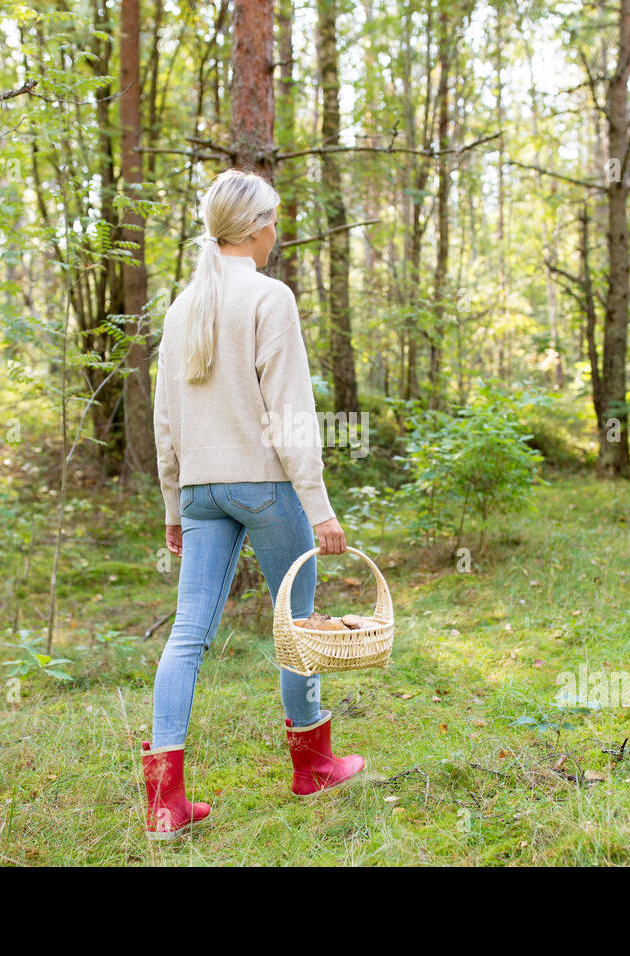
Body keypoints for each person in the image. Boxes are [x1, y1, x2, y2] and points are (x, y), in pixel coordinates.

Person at [143, 168, 365, 840]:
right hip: (265, 488)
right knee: (295, 625)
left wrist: (173, 507)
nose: (277, 232)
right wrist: (319, 506)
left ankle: (164, 804)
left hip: (202, 491)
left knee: (187, 636)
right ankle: (314, 765)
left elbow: (164, 420)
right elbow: (292, 415)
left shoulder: (184, 308)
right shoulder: (271, 299)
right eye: (274, 220)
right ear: (257, 226)